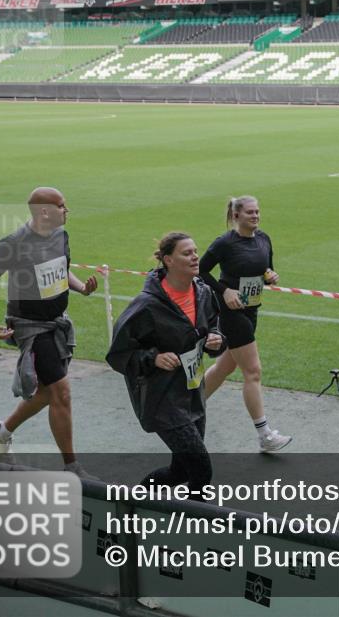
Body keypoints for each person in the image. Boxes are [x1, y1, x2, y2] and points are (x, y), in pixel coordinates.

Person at [0, 187, 98, 477]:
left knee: (45, 392)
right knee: (61, 392)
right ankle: (72, 468)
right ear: (44, 211)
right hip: (30, 327)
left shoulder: (61, 236)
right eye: (62, 205)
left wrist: (82, 288)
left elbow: (62, 270)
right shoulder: (14, 243)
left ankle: (1, 431)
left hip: (56, 322)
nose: (66, 210)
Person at [106, 232, 224, 495]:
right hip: (163, 398)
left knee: (180, 471)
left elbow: (212, 326)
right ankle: (195, 518)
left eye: (195, 251)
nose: (195, 257)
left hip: (193, 393)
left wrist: (216, 340)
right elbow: (118, 354)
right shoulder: (147, 305)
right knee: (201, 470)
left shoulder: (203, 293)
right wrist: (153, 358)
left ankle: (133, 505)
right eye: (187, 253)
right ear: (168, 260)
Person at [198, 195, 292, 453]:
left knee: (224, 367)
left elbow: (266, 269)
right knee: (253, 371)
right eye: (250, 212)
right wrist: (225, 291)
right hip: (231, 313)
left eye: (257, 211)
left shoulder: (264, 239)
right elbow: (201, 271)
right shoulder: (225, 243)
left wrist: (270, 276)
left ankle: (187, 408)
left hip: (251, 310)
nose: (255, 216)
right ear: (236, 215)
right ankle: (265, 435)